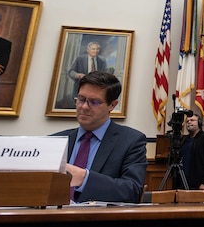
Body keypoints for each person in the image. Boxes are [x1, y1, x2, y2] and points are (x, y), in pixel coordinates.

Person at [52, 71, 147, 203]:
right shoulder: (55, 140)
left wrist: (85, 179)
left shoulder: (131, 141)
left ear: (112, 105)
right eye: (81, 99)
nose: (84, 107)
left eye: (94, 102)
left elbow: (132, 190)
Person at [179, 113, 204, 190]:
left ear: (199, 123)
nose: (189, 122)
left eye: (192, 120)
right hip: (184, 183)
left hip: (201, 184)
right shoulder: (183, 140)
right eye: (187, 121)